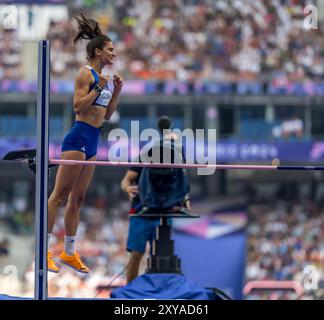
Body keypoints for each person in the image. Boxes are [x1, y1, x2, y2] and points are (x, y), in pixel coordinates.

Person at [47, 12, 123, 273]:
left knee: (78, 199)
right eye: (111, 50)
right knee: (59, 196)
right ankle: (44, 249)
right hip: (78, 136)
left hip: (94, 139)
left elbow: (108, 115)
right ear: (99, 51)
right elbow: (78, 107)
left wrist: (116, 92)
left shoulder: (105, 81)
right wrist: (99, 88)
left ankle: (69, 253)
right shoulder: (86, 74)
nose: (114, 54)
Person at [121, 116, 191, 283]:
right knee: (136, 255)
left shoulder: (176, 158)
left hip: (164, 214)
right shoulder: (146, 155)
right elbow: (125, 181)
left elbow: (182, 184)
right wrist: (127, 188)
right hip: (141, 212)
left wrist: (184, 200)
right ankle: (130, 292)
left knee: (160, 256)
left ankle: (156, 291)